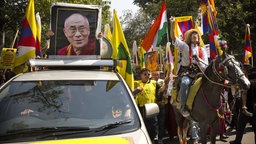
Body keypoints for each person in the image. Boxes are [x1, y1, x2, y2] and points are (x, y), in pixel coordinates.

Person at [169, 16, 209, 117]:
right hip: (187, 72)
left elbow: (206, 66)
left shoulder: (202, 50)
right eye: (192, 34)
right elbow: (173, 37)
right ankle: (183, 107)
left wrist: (198, 60)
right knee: (185, 82)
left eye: (196, 34)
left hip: (200, 71)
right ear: (189, 37)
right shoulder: (184, 46)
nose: (195, 35)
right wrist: (172, 24)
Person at [230, 66, 256, 144]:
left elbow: (244, 94)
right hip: (252, 109)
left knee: (240, 126)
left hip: (246, 109)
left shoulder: (247, 83)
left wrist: (244, 106)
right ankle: (237, 141)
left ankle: (237, 141)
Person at [133, 68, 158, 142]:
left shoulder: (154, 83)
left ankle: (151, 140)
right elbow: (131, 93)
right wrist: (136, 90)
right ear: (141, 75)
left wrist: (166, 84)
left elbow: (159, 92)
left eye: (148, 74)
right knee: (143, 126)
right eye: (145, 74)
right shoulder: (136, 83)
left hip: (151, 108)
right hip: (141, 108)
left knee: (153, 127)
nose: (147, 76)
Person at [151, 71, 168, 144]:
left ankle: (160, 138)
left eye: (157, 75)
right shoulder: (150, 82)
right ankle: (154, 138)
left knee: (161, 122)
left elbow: (163, 90)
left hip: (161, 105)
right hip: (152, 106)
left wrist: (166, 84)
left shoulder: (162, 82)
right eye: (154, 74)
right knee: (153, 123)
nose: (156, 76)